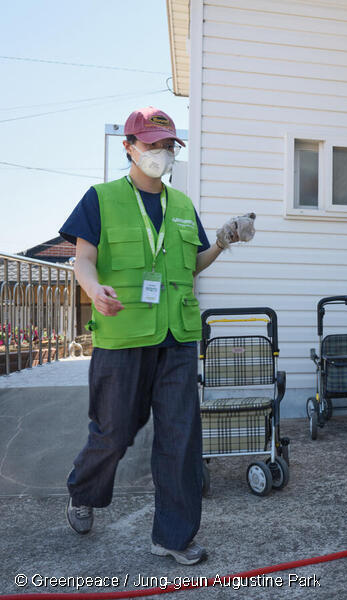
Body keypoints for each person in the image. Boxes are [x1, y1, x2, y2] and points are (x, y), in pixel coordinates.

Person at [59, 107, 254, 565]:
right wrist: (93, 289)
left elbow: (192, 265)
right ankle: (83, 491)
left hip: (177, 337)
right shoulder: (101, 198)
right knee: (114, 433)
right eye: (152, 144)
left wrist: (222, 241)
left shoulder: (181, 205)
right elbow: (83, 259)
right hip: (123, 337)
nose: (161, 153)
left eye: (168, 146)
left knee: (180, 438)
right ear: (129, 147)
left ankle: (173, 537)